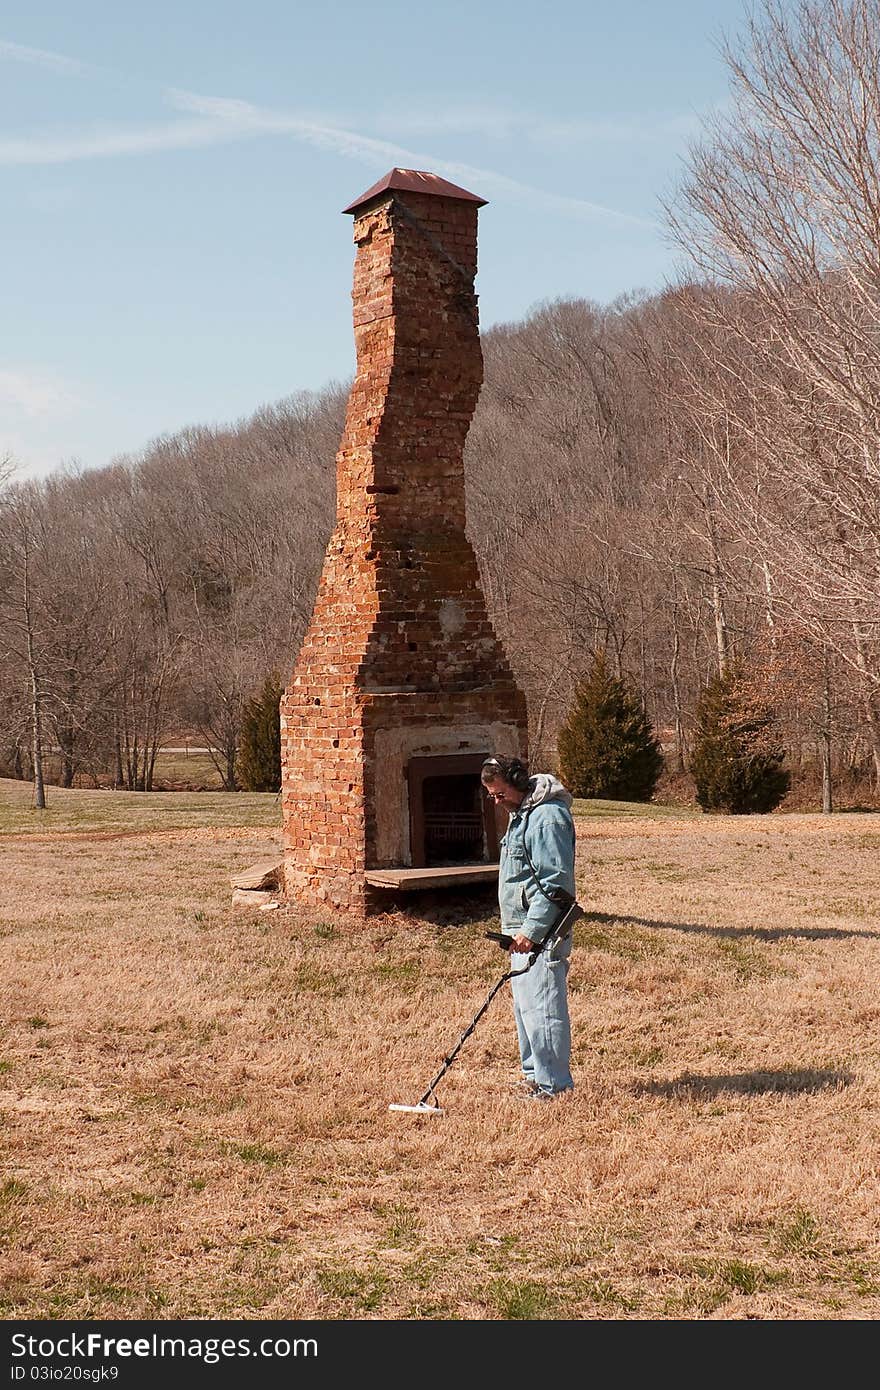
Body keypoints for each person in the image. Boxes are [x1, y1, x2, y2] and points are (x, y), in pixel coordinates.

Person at [480, 754, 576, 1101]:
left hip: (543, 932)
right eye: (491, 795)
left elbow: (556, 883)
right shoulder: (521, 815)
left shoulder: (547, 818)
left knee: (544, 1007)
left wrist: (532, 931)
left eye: (500, 793)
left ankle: (554, 1087)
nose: (496, 801)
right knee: (526, 1008)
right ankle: (535, 1076)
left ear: (519, 782)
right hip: (519, 929)